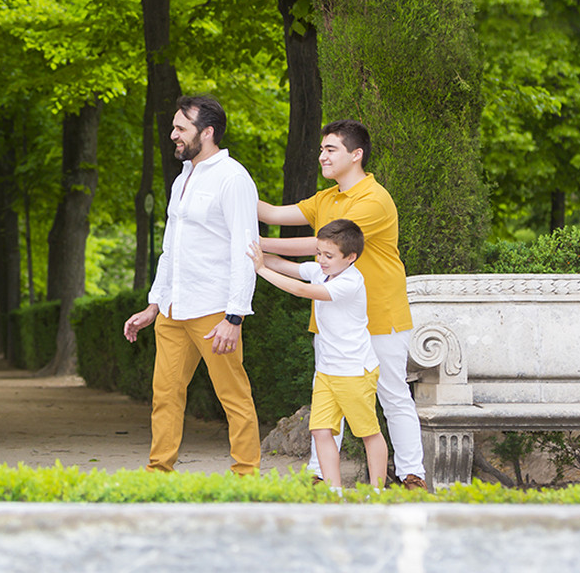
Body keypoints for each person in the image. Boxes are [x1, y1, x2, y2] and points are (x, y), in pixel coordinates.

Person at [257, 119, 426, 490]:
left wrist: (259, 246)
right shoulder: (325, 198)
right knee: (330, 394)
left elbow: (319, 245)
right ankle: (321, 476)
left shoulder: (374, 199)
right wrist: (230, 189)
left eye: (330, 149)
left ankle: (413, 474)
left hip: (381, 316)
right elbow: (270, 213)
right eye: (321, 149)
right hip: (334, 321)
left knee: (392, 396)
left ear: (356, 154)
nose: (322, 156)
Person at [123, 95, 260, 475]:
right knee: (164, 395)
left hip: (215, 310)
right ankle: (158, 472)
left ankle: (246, 476)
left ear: (208, 132)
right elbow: (171, 250)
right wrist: (153, 304)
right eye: (173, 128)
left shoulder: (233, 178)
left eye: (181, 128)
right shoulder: (183, 178)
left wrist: (234, 316)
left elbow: (244, 250)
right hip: (173, 310)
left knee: (233, 395)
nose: (173, 135)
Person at [249, 220, 388, 490]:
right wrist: (251, 252)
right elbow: (282, 265)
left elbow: (301, 290)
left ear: (351, 257)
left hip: (354, 371)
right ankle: (334, 494)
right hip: (326, 370)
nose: (321, 260)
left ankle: (378, 493)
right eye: (319, 253)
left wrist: (260, 270)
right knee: (321, 431)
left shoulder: (350, 282)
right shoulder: (321, 271)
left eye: (329, 256)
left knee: (368, 434)